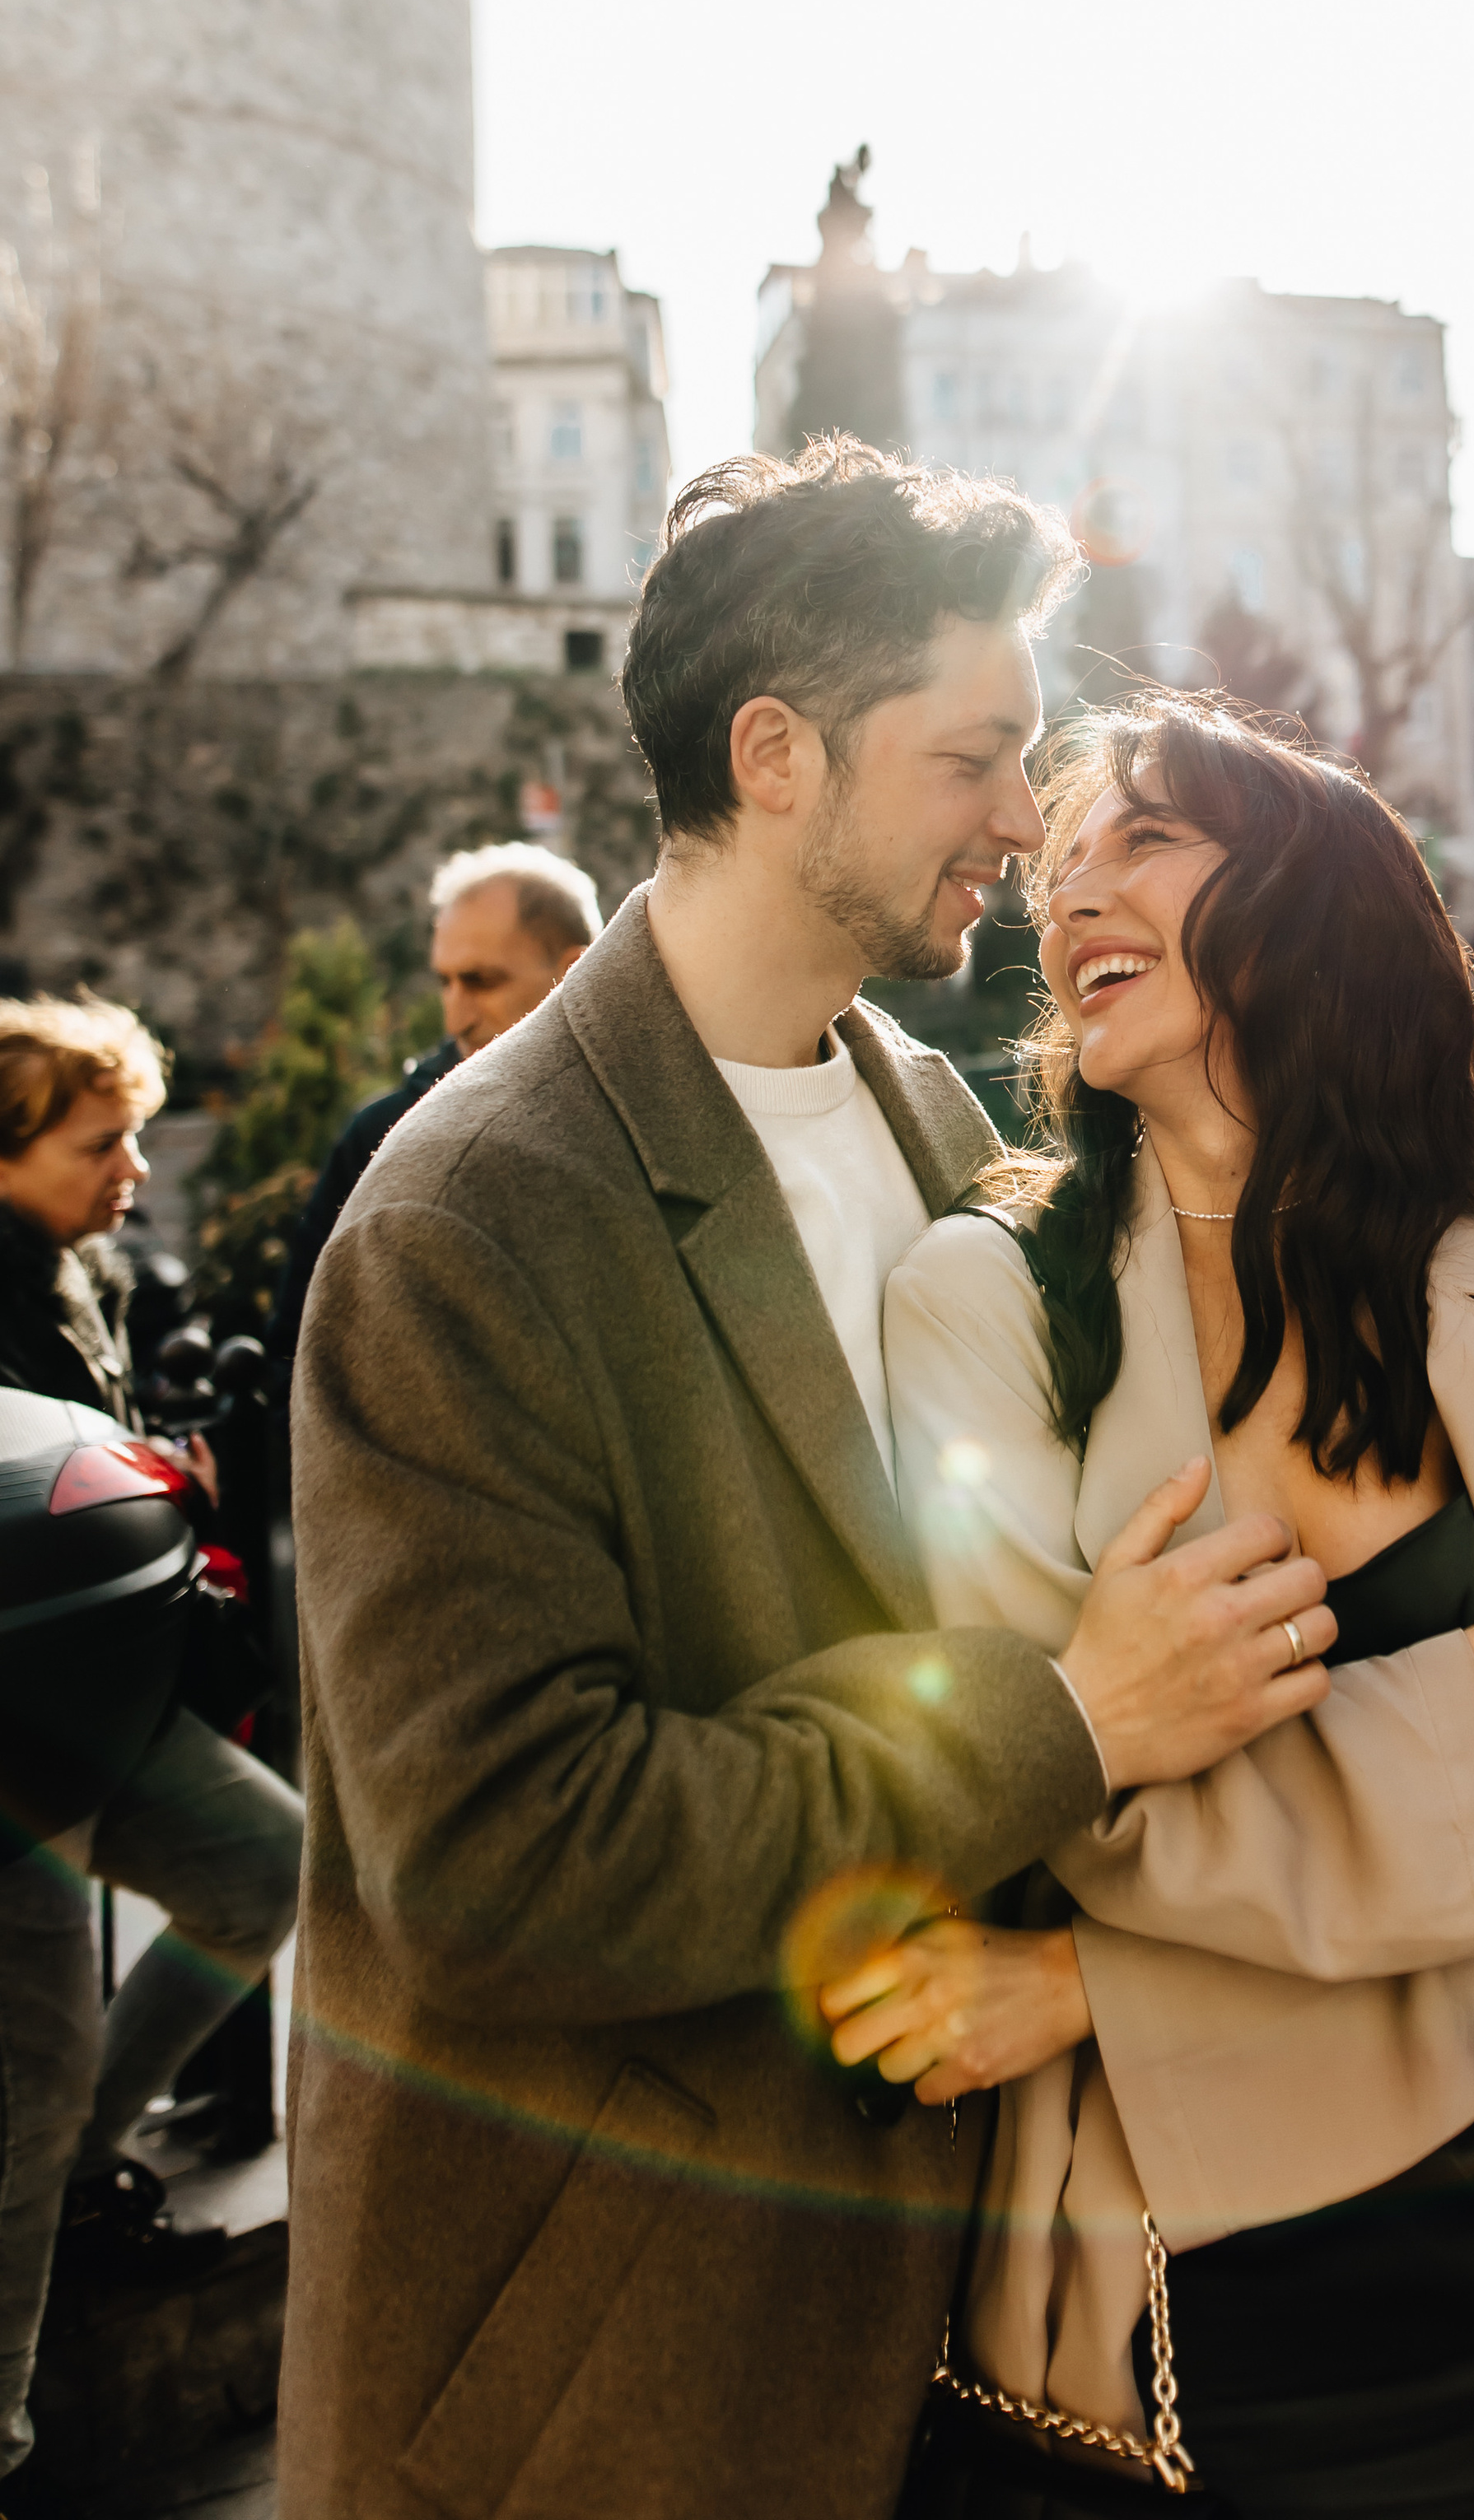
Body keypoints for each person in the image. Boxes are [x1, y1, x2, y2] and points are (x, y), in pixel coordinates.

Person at [282, 441, 1345, 2520]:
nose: (1025, 825)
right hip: (633, 2358)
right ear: (774, 754)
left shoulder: (933, 1104)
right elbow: (499, 1861)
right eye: (974, 755)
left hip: (963, 2304)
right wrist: (1068, 1721)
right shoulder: (469, 1218)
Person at [844, 701, 1474, 2520]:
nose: (1062, 879)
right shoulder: (987, 1307)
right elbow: (1087, 1800)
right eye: (1061, 850)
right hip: (1208, 2260)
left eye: (1142, 840)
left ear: (1315, 911)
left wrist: (1093, 1989)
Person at [0, 999, 305, 2520]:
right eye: (100, 1143)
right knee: (31, 2059)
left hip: (98, 1696)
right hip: (15, 1736)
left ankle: (69, 2170)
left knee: (265, 1866)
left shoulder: (81, 1268)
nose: (132, 1168)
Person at [265, 841, 603, 1365]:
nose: (456, 1018)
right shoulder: (381, 1136)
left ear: (574, 971)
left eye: (481, 981)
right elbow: (301, 1350)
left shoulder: (660, 1116)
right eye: (445, 982)